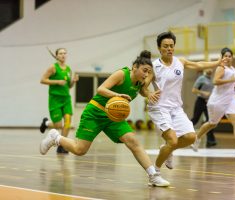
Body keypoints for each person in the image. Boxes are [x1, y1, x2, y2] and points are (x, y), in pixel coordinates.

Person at [39, 50, 170, 187]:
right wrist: (117, 96)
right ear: (134, 67)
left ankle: (153, 176)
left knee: (133, 141)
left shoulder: (140, 82)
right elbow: (100, 89)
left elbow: (142, 91)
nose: (146, 74)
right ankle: (56, 137)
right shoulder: (122, 74)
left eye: (149, 72)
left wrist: (149, 94)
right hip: (95, 113)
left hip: (113, 116)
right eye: (144, 70)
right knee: (80, 150)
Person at [147, 31, 222, 171]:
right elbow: (143, 86)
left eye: (171, 45)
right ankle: (155, 172)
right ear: (159, 48)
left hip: (176, 108)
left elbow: (198, 65)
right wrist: (148, 93)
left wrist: (216, 63)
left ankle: (168, 149)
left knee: (191, 137)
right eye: (165, 46)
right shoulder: (154, 66)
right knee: (172, 140)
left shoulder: (179, 62)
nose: (169, 48)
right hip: (160, 107)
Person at [192, 47, 235, 158]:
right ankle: (197, 138)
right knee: (212, 124)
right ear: (222, 57)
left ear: (232, 57)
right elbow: (215, 81)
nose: (228, 58)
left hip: (231, 99)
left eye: (229, 56)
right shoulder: (221, 68)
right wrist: (231, 81)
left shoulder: (233, 69)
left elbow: (230, 84)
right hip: (218, 100)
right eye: (225, 56)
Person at [40, 48, 79, 154]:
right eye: (60, 53)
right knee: (58, 126)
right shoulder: (53, 67)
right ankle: (47, 123)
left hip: (66, 98)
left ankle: (62, 146)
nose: (63, 55)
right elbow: (42, 80)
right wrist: (57, 81)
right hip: (55, 99)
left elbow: (69, 86)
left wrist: (73, 81)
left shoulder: (68, 69)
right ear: (56, 56)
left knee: (67, 122)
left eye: (65, 53)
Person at [190, 68, 217, 149]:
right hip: (200, 101)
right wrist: (203, 92)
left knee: (210, 120)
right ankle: (182, 132)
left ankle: (210, 141)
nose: (210, 70)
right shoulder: (201, 78)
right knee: (195, 119)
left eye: (211, 68)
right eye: (208, 68)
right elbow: (193, 90)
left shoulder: (213, 79)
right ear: (205, 69)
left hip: (209, 102)